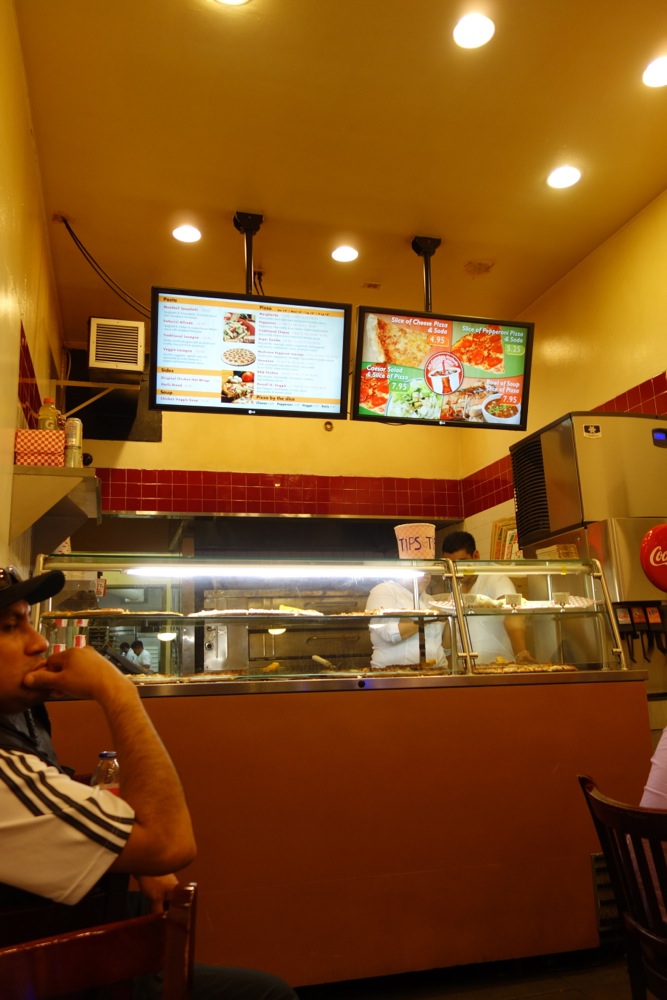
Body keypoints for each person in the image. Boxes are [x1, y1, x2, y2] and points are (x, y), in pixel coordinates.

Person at [0, 565, 298, 1000]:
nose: (39, 642)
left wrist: (134, 859)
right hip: (45, 970)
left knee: (144, 906)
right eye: (10, 627)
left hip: (47, 928)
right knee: (269, 994)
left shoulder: (17, 716)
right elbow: (170, 844)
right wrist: (119, 692)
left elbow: (48, 792)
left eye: (28, 621)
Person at [441, 530, 535, 666]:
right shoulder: (455, 591)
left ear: (476, 556)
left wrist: (521, 652)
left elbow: (513, 613)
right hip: (469, 671)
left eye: (462, 563)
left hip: (500, 668)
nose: (456, 569)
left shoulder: (495, 578)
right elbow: (450, 638)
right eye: (451, 565)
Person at [365, 573, 448, 669]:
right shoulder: (384, 590)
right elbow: (391, 633)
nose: (427, 576)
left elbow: (446, 647)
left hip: (437, 671)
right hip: (395, 673)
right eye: (421, 571)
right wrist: (430, 615)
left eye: (429, 572)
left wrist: (452, 614)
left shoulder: (428, 599)